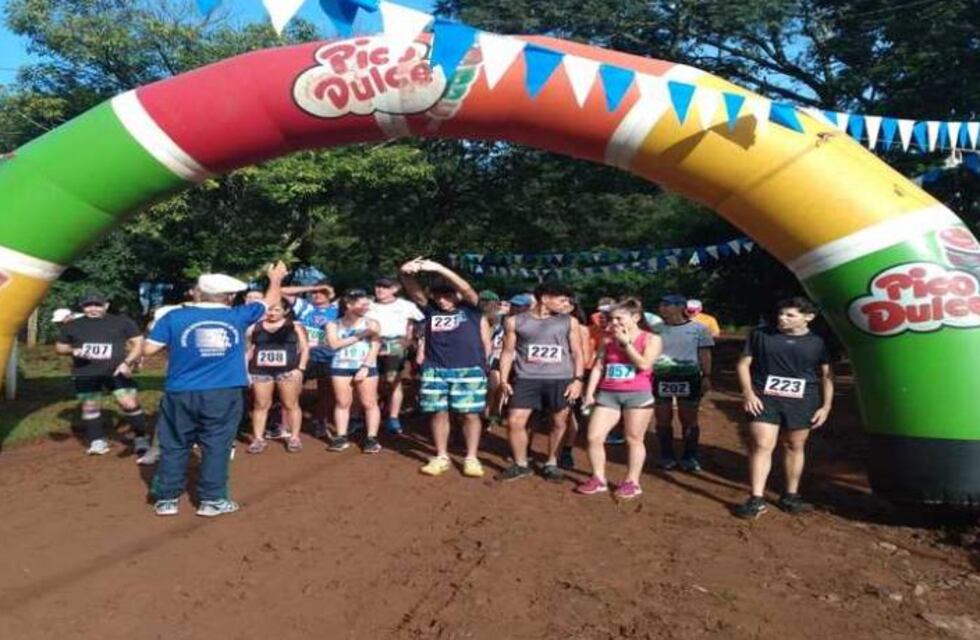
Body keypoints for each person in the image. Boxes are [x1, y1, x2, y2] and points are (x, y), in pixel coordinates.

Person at [144, 263, 287, 517]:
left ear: (198, 292)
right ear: (230, 297)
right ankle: (212, 499)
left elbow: (148, 350)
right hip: (223, 392)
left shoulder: (173, 317)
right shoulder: (237, 316)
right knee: (217, 444)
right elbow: (270, 300)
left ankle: (167, 499)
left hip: (181, 391)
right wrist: (275, 278)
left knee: (175, 443)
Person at [733, 297, 833, 519]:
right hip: (764, 397)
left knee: (793, 445)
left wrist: (825, 406)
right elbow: (743, 364)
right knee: (761, 444)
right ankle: (756, 498)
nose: (782, 318)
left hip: (803, 401)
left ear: (808, 317)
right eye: (781, 314)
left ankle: (790, 494)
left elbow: (827, 375)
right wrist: (748, 393)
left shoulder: (818, 341)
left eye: (790, 315)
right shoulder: (760, 335)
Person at [401, 257, 490, 478]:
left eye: (448, 295)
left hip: (469, 369)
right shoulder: (431, 310)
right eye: (439, 295)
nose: (442, 300)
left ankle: (471, 457)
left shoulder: (471, 309)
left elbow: (467, 289)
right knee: (438, 412)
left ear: (456, 295)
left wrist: (440, 268)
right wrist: (404, 273)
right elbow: (414, 292)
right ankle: (441, 456)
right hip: (435, 369)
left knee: (469, 414)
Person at [498, 282, 584, 482]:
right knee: (514, 421)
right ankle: (520, 464)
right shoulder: (514, 321)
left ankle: (551, 463)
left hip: (560, 379)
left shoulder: (569, 322)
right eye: (562, 300)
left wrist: (578, 380)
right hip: (526, 378)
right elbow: (507, 352)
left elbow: (578, 352)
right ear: (545, 298)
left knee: (559, 422)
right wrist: (503, 380)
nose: (566, 304)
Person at [577, 300, 662, 499]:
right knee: (594, 436)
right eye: (611, 318)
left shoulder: (651, 339)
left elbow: (644, 365)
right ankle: (598, 478)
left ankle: (632, 481)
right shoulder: (607, 339)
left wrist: (625, 344)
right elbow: (598, 367)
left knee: (633, 438)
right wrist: (589, 393)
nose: (614, 322)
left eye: (619, 318)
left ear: (636, 318)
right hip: (608, 393)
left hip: (638, 395)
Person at [55, 292, 150, 457]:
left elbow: (138, 342)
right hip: (86, 372)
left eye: (97, 305)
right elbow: (60, 347)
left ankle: (141, 437)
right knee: (90, 406)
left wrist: (128, 362)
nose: (93, 308)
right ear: (82, 307)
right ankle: (97, 441)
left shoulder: (121, 321)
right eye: (88, 305)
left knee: (128, 403)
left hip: (116, 369)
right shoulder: (72, 325)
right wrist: (73, 350)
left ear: (106, 305)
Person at [653, 294, 714, 472]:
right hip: (661, 377)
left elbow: (705, 354)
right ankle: (666, 455)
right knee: (662, 417)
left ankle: (690, 456)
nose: (662, 308)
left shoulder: (699, 329)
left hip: (689, 377)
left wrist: (707, 376)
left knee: (688, 418)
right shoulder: (655, 330)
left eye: (667, 305)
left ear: (681, 307)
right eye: (661, 305)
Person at [245, 299, 310, 454]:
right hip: (260, 371)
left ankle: (294, 437)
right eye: (269, 310)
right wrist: (246, 371)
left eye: (277, 310)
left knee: (290, 403)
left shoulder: (294, 326)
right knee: (260, 404)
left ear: (285, 311)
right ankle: (258, 439)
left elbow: (304, 348)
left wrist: (300, 368)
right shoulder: (254, 327)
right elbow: (248, 350)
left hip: (287, 370)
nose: (272, 313)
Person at [325, 289, 383, 453]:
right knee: (342, 402)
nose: (365, 307)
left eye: (366, 303)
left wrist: (365, 367)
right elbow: (334, 344)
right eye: (360, 303)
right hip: (340, 366)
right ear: (349, 305)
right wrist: (362, 334)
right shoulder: (333, 324)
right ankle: (341, 436)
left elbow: (375, 346)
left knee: (369, 402)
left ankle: (372, 438)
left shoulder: (372, 323)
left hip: (365, 366)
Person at [367, 276, 424, 435]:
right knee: (373, 379)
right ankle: (374, 410)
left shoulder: (405, 305)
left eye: (384, 287)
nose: (380, 290)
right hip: (372, 343)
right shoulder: (369, 305)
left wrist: (409, 339)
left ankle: (393, 417)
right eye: (378, 286)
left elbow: (420, 322)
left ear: (394, 289)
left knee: (393, 379)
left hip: (395, 343)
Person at [284, 281, 338, 438]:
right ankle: (286, 423)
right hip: (305, 355)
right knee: (293, 388)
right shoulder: (305, 307)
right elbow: (283, 290)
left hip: (329, 355)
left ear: (331, 294)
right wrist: (312, 288)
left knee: (327, 391)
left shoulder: (337, 309)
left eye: (323, 292)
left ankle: (320, 421)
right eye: (315, 292)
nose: (317, 294)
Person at [557, 298, 593, 469]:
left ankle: (566, 450)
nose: (561, 306)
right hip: (544, 375)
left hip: (569, 375)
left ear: (572, 307)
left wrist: (576, 378)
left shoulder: (580, 329)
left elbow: (584, 357)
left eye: (566, 303)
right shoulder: (544, 323)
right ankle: (525, 448)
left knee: (569, 415)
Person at [480, 290, 506, 429]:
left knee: (494, 387)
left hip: (497, 358)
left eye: (489, 303)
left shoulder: (503, 319)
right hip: (480, 357)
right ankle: (486, 414)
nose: (486, 306)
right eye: (483, 302)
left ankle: (490, 414)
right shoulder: (475, 318)